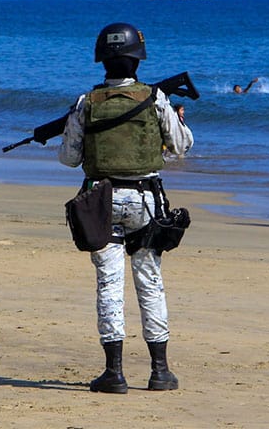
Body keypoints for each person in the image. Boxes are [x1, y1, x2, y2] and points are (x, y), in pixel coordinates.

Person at [59, 22, 194, 394]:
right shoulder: (155, 98)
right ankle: (160, 371)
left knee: (109, 285)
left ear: (102, 60)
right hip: (147, 202)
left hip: (100, 200)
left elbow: (69, 158)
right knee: (150, 283)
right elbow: (181, 146)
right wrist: (180, 122)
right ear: (138, 59)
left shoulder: (87, 102)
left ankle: (114, 372)